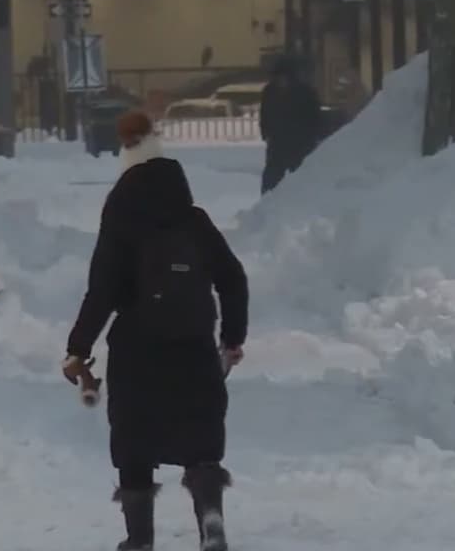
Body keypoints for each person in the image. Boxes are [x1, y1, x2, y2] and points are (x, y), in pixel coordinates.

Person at [62, 111, 249, 551]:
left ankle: (140, 539)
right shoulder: (195, 222)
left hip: (137, 350)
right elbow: (233, 278)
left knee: (134, 442)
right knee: (201, 442)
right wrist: (233, 337)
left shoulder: (121, 222)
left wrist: (78, 348)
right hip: (195, 344)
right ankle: (211, 520)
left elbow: (102, 292)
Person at [258, 53, 322, 194]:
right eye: (278, 77)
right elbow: (264, 113)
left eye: (284, 77)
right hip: (277, 141)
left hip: (299, 143)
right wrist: (265, 132)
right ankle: (268, 200)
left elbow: (314, 117)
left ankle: (301, 200)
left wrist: (311, 137)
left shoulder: (305, 92)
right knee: (272, 176)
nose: (281, 80)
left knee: (301, 174)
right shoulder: (269, 91)